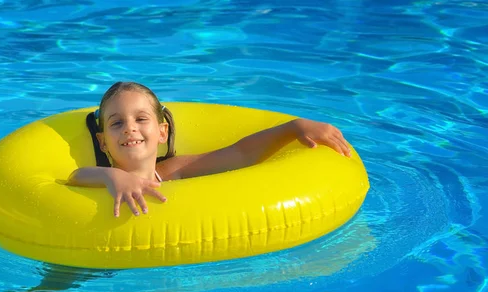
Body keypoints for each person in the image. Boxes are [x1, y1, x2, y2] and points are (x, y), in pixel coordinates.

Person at [66, 81, 351, 217]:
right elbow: (75, 177)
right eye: (117, 123)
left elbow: (241, 154)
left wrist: (292, 128)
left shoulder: (171, 171)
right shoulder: (104, 177)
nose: (129, 128)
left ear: (162, 132)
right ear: (103, 141)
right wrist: (112, 177)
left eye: (141, 119)